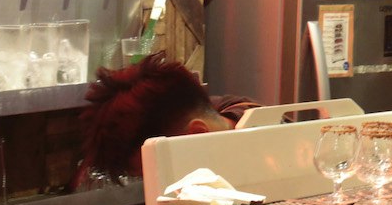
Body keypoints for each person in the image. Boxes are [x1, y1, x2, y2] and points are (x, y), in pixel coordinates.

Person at [79, 53, 258, 179]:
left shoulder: (269, 158)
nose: (158, 193)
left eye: (157, 174)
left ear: (197, 135)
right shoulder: (200, 113)